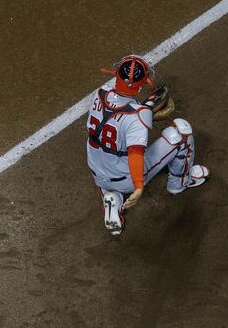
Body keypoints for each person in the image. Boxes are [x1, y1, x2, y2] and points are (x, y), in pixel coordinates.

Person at [86, 54, 211, 236]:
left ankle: (111, 197)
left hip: (96, 172)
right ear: (143, 83)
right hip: (127, 179)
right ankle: (179, 184)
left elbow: (117, 111)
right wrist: (138, 187)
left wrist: (147, 107)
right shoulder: (139, 115)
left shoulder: (101, 92)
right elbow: (136, 154)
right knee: (182, 131)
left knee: (107, 148)